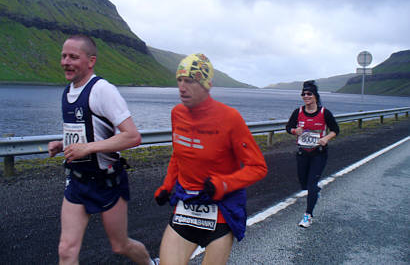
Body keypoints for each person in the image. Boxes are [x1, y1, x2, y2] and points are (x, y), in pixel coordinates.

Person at [48, 34, 159, 265]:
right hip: (77, 182)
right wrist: (62, 145)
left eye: (73, 57)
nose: (66, 62)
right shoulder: (67, 91)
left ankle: (150, 263)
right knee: (66, 249)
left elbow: (132, 136)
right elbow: (85, 132)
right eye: (63, 56)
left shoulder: (103, 91)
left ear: (91, 61)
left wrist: (87, 149)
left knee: (120, 245)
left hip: (107, 181)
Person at [154, 53, 268, 265]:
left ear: (206, 84)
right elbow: (179, 155)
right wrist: (167, 185)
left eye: (189, 81)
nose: (181, 87)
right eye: (179, 80)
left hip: (220, 212)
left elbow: (258, 167)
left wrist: (224, 184)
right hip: (186, 207)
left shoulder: (230, 118)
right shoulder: (177, 113)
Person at [286, 80, 339, 228]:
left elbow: (336, 130)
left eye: (309, 93)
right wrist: (294, 131)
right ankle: (315, 191)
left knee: (311, 184)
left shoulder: (324, 113)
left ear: (315, 96)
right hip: (303, 153)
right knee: (304, 184)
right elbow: (288, 127)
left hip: (319, 154)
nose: (306, 96)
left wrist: (326, 138)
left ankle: (308, 215)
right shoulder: (298, 112)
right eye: (303, 94)